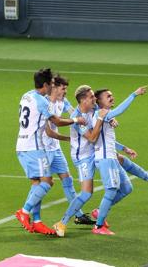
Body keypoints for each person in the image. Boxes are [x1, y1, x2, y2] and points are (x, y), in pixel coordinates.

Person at [90, 87, 148, 235]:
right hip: (105, 159)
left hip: (110, 156)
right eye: (108, 96)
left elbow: (107, 139)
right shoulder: (100, 114)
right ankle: (98, 226)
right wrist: (133, 95)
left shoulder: (104, 116)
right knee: (111, 190)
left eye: (112, 95)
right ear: (99, 101)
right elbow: (120, 111)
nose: (112, 98)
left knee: (127, 188)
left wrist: (124, 148)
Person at [15, 68, 86, 235]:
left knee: (37, 183)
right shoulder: (42, 101)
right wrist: (76, 120)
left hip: (21, 145)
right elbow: (56, 121)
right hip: (35, 146)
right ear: (46, 85)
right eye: (51, 85)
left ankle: (37, 220)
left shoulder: (27, 95)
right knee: (47, 182)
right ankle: (24, 212)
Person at [52, 85, 108, 237]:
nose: (94, 99)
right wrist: (102, 119)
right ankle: (62, 223)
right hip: (83, 157)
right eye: (91, 97)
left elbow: (104, 111)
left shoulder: (93, 107)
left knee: (119, 166)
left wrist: (111, 119)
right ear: (83, 100)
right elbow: (91, 137)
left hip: (95, 151)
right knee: (86, 193)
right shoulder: (77, 119)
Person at [43, 75, 95, 226]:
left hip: (55, 147)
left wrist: (86, 117)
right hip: (43, 148)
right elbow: (49, 132)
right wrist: (70, 138)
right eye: (63, 88)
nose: (66, 91)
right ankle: (28, 213)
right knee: (41, 184)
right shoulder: (45, 104)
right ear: (54, 87)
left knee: (67, 179)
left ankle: (78, 215)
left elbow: (75, 112)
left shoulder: (62, 101)